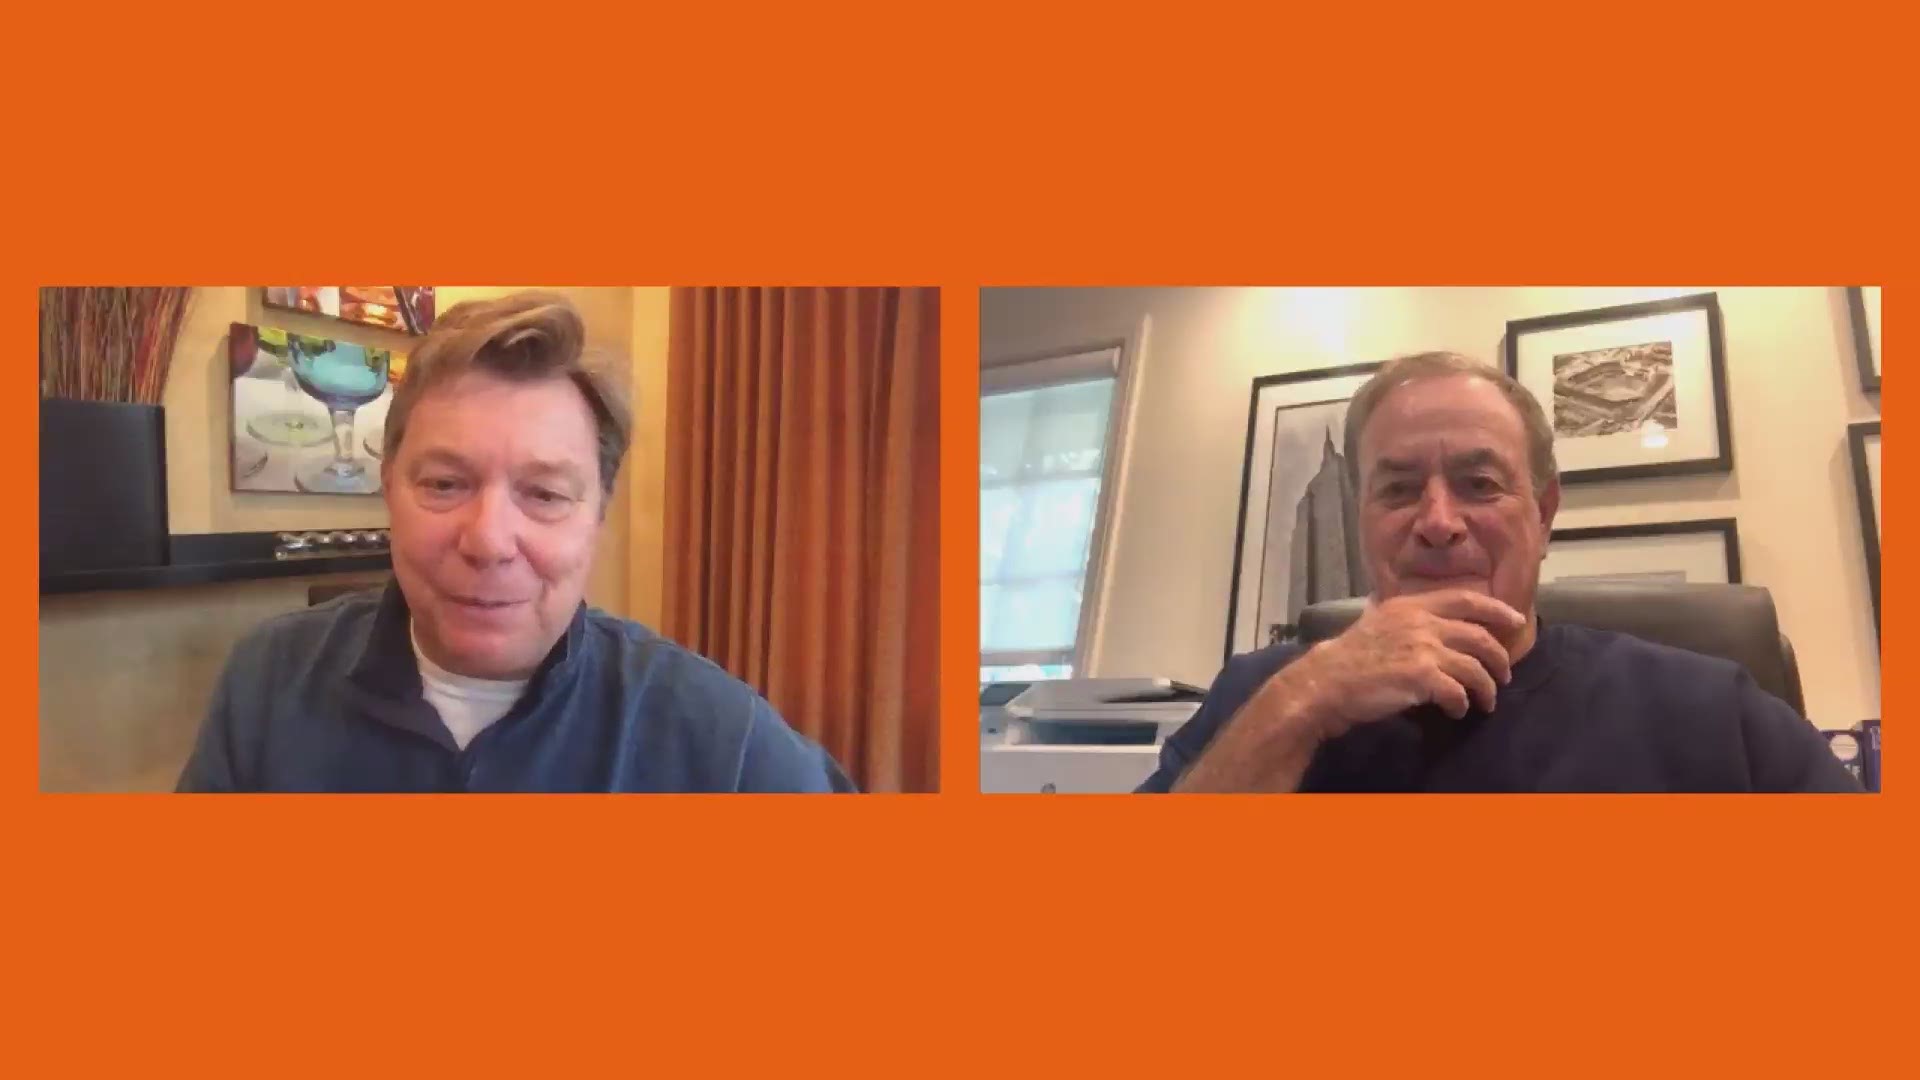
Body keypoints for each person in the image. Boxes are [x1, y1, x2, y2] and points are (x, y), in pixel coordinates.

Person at [179, 292, 855, 792]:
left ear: (598, 516)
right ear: (388, 488)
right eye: (445, 484)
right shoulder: (268, 685)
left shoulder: (715, 737)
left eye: (545, 494)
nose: (489, 541)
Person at [1140, 351, 1862, 793]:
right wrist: (1303, 704)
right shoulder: (1260, 693)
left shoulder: (1710, 710)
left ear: (1543, 514)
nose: (1438, 520)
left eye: (1479, 484)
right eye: (1396, 489)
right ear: (1361, 518)